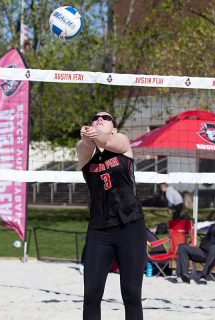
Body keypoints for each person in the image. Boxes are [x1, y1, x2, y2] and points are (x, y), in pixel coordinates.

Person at [76, 112, 146, 320]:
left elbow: (105, 141)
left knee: (132, 294)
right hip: (100, 229)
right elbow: (87, 146)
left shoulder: (122, 141)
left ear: (113, 128)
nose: (99, 119)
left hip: (131, 226)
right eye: (95, 118)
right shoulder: (84, 149)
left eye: (105, 118)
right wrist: (87, 137)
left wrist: (96, 135)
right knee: (91, 294)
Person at [173, 205, 215, 285]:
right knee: (183, 247)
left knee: (214, 248)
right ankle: (183, 276)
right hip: (205, 252)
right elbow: (206, 239)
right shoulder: (214, 226)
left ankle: (204, 276)